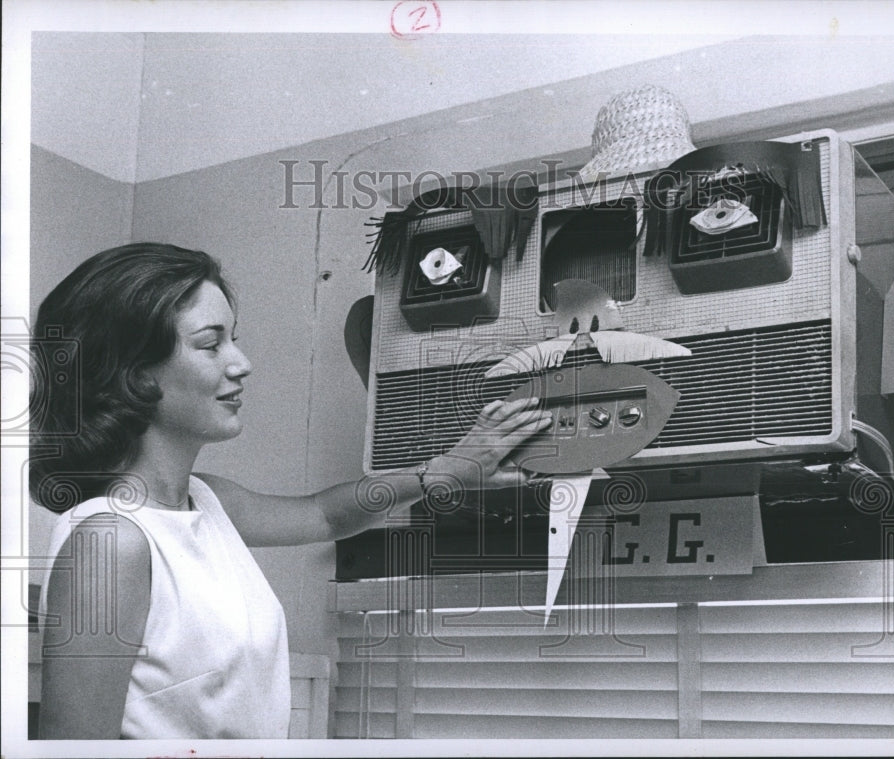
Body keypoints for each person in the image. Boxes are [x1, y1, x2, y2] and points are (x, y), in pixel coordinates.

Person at [31, 242, 550, 739]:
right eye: (211, 343)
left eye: (233, 338)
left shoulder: (207, 501)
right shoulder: (109, 541)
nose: (241, 363)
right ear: (130, 373)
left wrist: (443, 473)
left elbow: (324, 515)